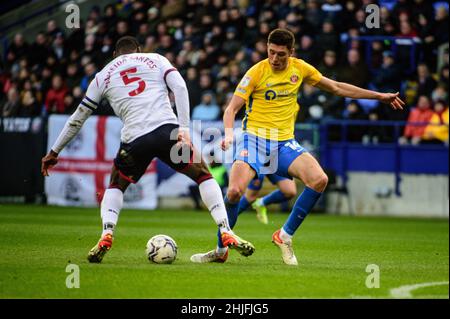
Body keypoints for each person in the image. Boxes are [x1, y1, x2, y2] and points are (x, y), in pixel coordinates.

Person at [191, 29, 404, 265]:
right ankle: (221, 250)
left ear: (291, 52)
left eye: (280, 54)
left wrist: (379, 97)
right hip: (254, 139)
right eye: (271, 52)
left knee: (319, 179)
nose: (274, 59)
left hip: (284, 142)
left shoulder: (300, 68)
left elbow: (336, 87)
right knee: (233, 192)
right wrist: (229, 135)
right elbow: (231, 109)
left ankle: (284, 236)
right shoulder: (256, 72)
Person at [41, 36, 255, 263]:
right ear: (138, 50)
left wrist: (54, 151)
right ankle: (224, 229)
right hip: (167, 132)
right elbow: (180, 87)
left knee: (116, 184)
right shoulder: (156, 59)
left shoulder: (102, 76)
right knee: (203, 174)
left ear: (115, 55)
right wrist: (183, 128)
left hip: (135, 140)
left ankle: (107, 233)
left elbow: (78, 118)